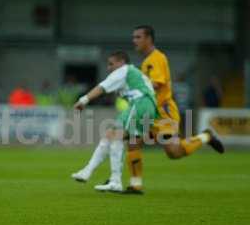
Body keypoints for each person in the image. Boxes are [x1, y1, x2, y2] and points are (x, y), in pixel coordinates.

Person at [72, 25, 224, 194]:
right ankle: (132, 183)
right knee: (130, 140)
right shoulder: (144, 63)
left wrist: (133, 87)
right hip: (148, 110)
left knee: (174, 151)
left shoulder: (156, 58)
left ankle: (206, 136)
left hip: (162, 111)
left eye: (138, 37)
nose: (134, 41)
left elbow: (157, 83)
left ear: (149, 39)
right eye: (133, 37)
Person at [73, 51, 157, 192]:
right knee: (111, 135)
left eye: (111, 64)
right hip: (146, 106)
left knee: (115, 136)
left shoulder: (124, 70)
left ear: (121, 62)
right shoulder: (135, 74)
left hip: (140, 104)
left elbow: (102, 87)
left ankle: (113, 180)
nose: (109, 68)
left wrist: (83, 100)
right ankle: (90, 172)